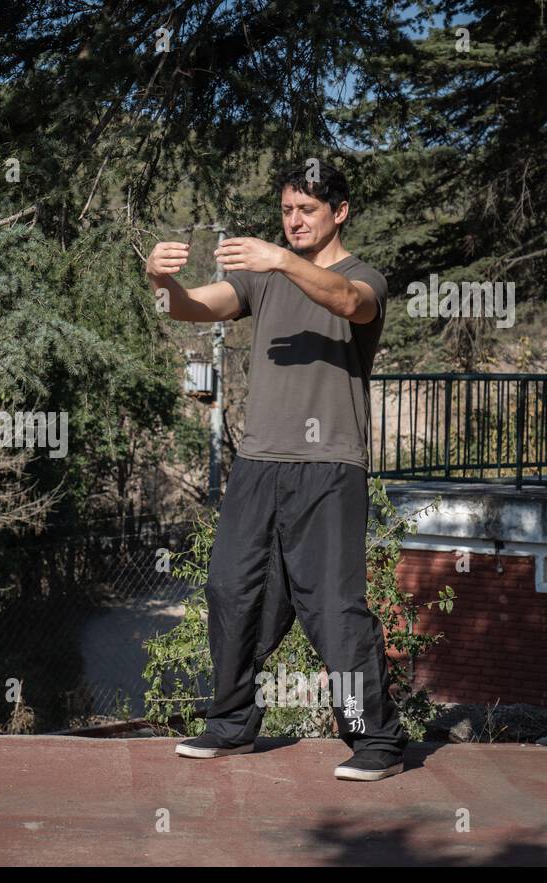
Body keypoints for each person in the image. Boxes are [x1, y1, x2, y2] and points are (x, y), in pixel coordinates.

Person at [145, 162, 407, 781]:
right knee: (232, 592)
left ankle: (376, 743)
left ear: (338, 212)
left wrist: (280, 259)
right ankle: (232, 726)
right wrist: (159, 279)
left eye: (307, 210)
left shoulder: (361, 277)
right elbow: (188, 309)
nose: (294, 221)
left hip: (329, 468)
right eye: (287, 210)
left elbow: (350, 303)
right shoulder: (260, 280)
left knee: (333, 609)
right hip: (258, 464)